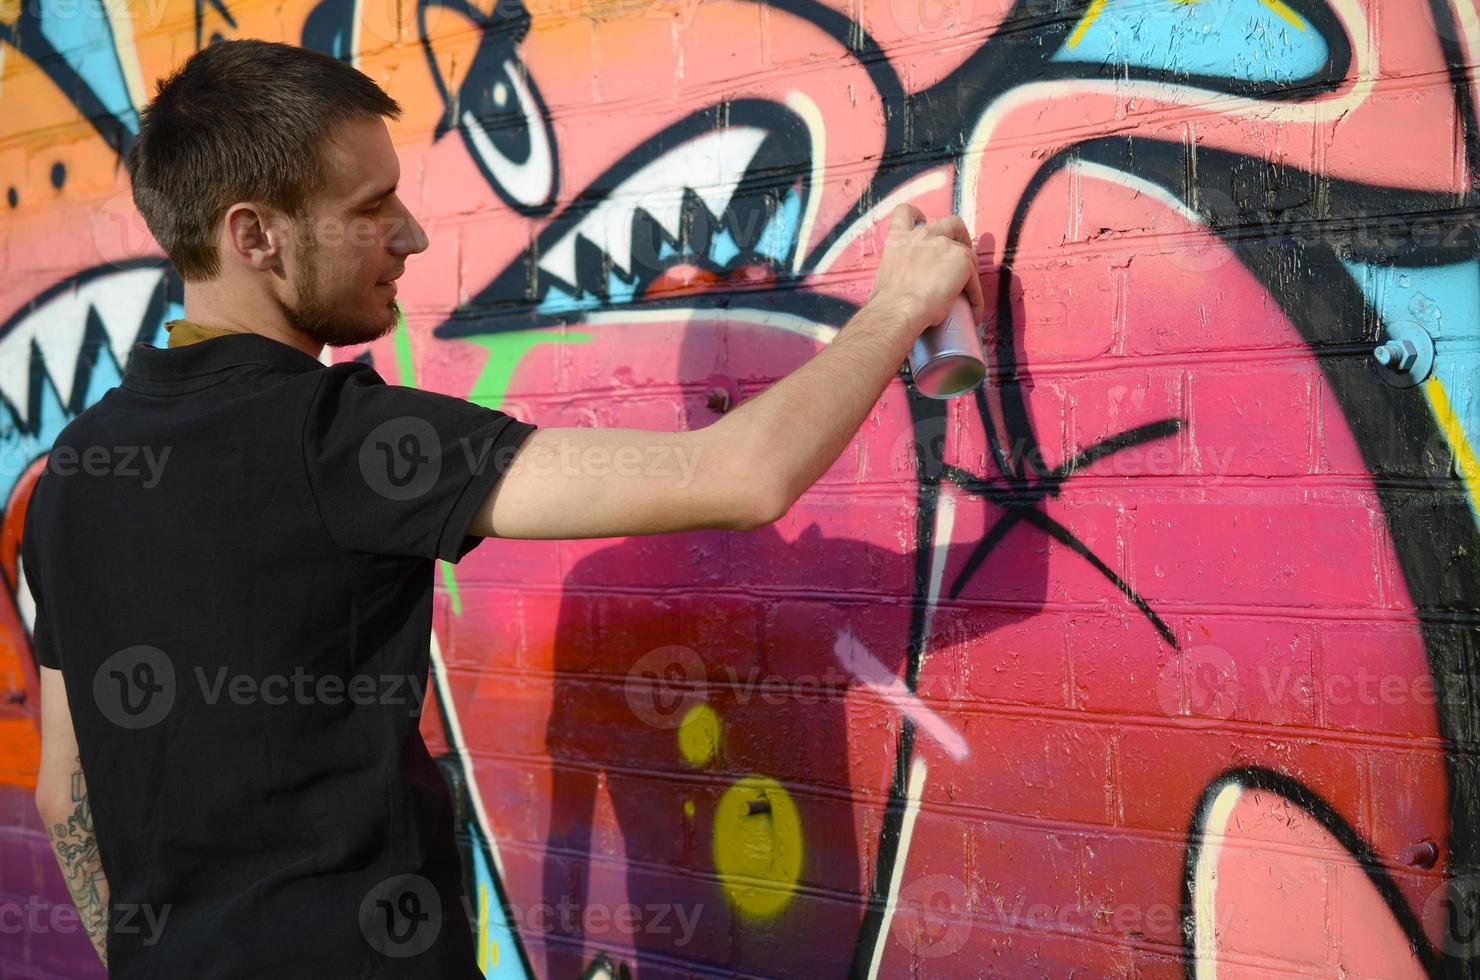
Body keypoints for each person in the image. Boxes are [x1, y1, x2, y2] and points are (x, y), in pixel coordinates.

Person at [22, 38, 984, 979]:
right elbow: (739, 476)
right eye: (370, 208)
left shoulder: (76, 472)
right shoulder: (340, 442)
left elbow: (62, 780)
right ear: (254, 235)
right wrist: (898, 308)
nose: (411, 235)